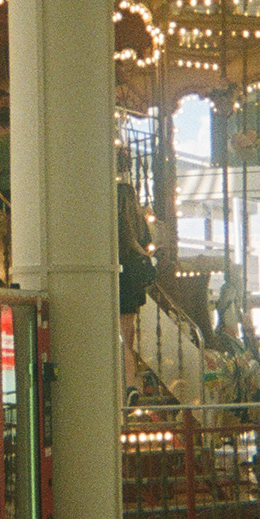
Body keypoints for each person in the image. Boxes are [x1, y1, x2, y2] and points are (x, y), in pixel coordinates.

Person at [116, 152, 156, 402]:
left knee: (116, 337)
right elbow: (149, 245)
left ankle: (124, 384)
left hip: (117, 280)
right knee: (126, 338)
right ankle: (129, 383)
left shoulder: (115, 224)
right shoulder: (139, 223)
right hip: (133, 285)